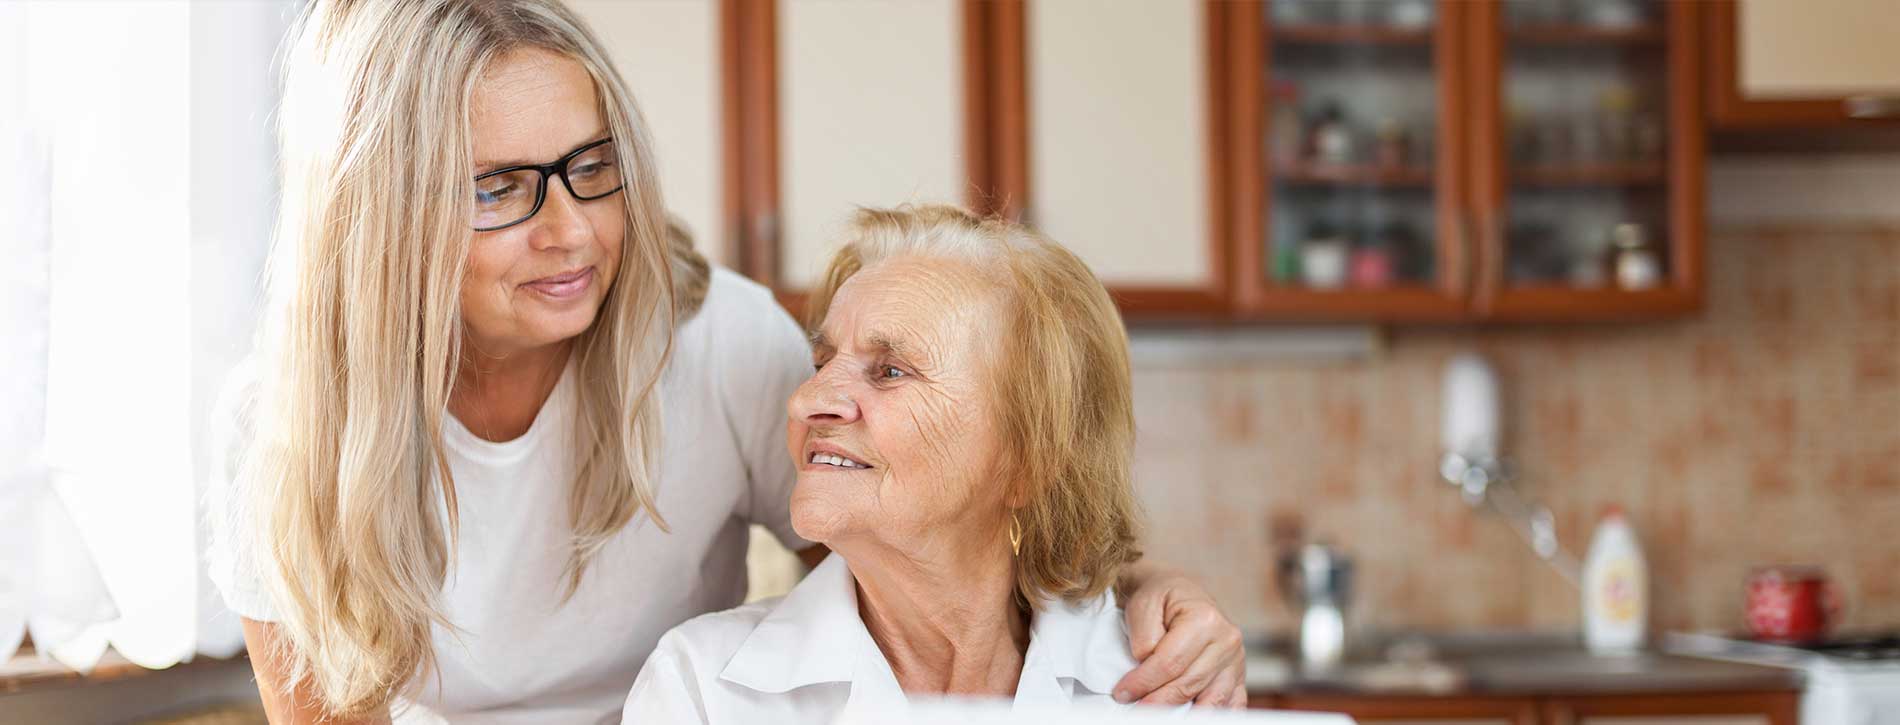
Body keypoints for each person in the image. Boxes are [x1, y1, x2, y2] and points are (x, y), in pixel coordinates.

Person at [207, 2, 1246, 722]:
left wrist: (1147, 588)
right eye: (497, 188)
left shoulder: (719, 346)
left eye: (590, 167)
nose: (571, 231)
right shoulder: (284, 428)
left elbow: (915, 552)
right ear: (381, 216)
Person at [625, 204, 1240, 722]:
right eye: (821, 362)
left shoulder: (1165, 683)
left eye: (891, 371)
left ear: (1028, 460)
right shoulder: (702, 689)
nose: (806, 400)